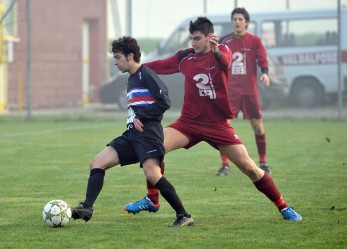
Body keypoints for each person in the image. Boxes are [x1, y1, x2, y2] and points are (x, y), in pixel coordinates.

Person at [123, 17, 302, 222]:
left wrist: (216, 51)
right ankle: (152, 200)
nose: (193, 43)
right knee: (153, 148)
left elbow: (225, 62)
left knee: (249, 168)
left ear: (210, 37)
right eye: (191, 38)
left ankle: (283, 207)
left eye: (197, 39)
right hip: (188, 123)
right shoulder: (185, 57)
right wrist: (135, 66)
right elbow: (159, 65)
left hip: (217, 125)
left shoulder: (223, 51)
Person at [71, 36, 194, 227]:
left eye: (118, 57)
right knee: (97, 162)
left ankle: (183, 215)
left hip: (148, 133)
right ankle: (87, 207)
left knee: (153, 174)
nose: (115, 62)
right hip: (132, 135)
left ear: (130, 56)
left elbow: (165, 101)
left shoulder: (147, 74)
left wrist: (142, 116)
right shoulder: (131, 79)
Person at [216, 7, 271, 176]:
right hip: (230, 91)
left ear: (246, 22)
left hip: (249, 91)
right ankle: (225, 166)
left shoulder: (255, 41)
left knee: (258, 127)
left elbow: (262, 59)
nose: (237, 22)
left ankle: (263, 163)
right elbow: (217, 62)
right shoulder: (225, 42)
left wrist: (265, 74)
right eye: (234, 19)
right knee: (223, 127)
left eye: (240, 19)